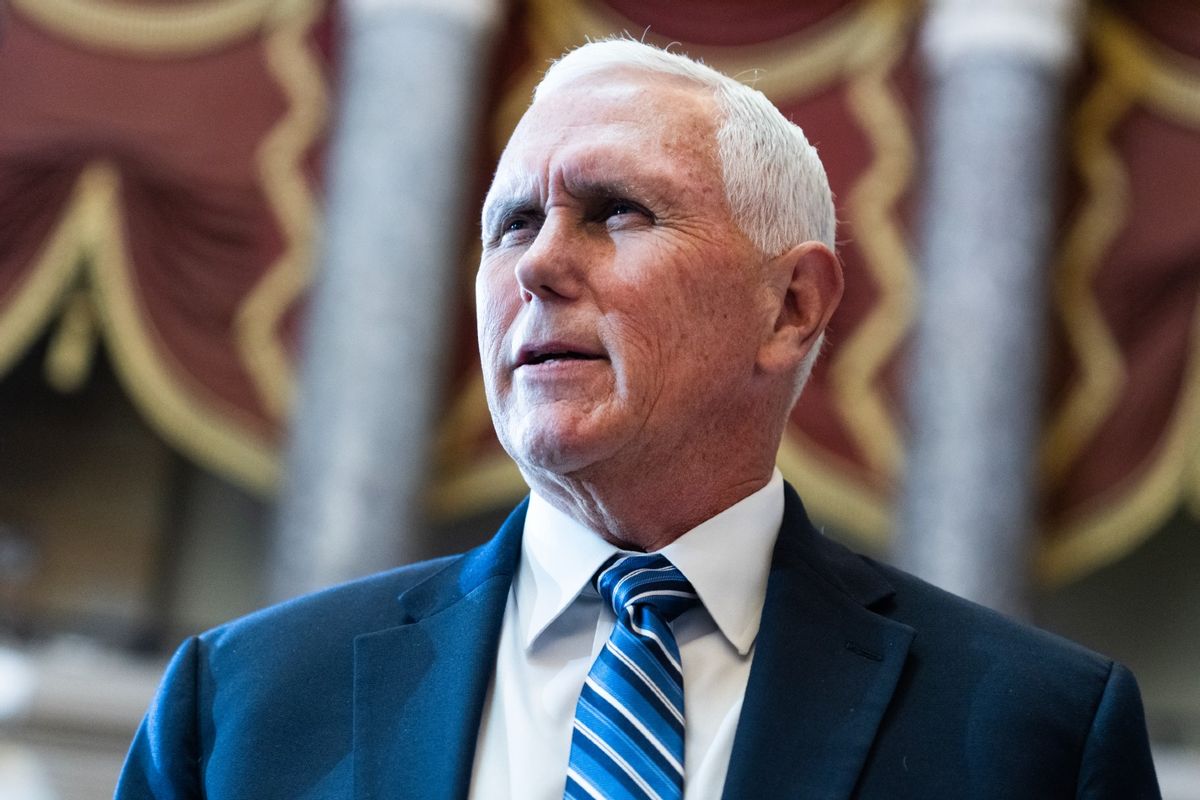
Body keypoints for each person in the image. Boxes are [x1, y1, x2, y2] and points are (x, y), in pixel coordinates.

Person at [116, 39, 1161, 799]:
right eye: (510, 222)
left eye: (616, 210)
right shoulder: (242, 706)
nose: (536, 264)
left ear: (791, 307)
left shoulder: (1037, 737)